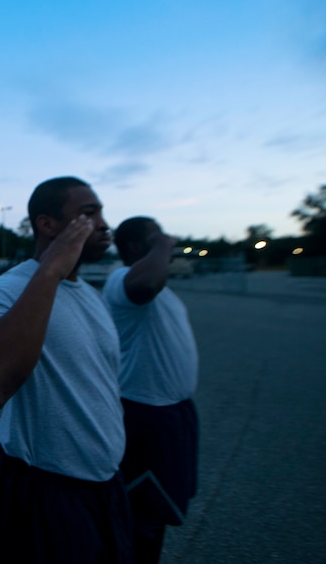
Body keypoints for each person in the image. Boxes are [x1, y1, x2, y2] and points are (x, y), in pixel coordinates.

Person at [0, 177, 132, 563]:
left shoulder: (91, 294)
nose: (104, 224)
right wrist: (50, 271)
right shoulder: (9, 288)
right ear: (48, 225)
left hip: (103, 483)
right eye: (89, 214)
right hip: (44, 490)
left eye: (102, 213)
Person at [102, 216, 199, 564]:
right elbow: (144, 285)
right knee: (140, 515)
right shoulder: (121, 280)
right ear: (136, 248)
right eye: (155, 238)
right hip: (146, 415)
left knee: (156, 514)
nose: (166, 244)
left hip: (173, 414)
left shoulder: (161, 288)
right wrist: (165, 243)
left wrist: (158, 244)